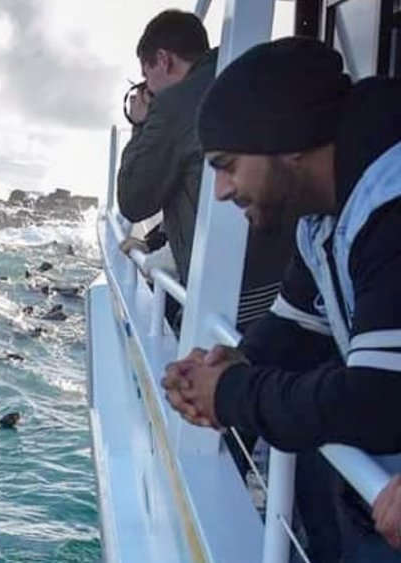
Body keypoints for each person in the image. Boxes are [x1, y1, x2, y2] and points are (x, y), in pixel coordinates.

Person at [161, 37, 401, 559]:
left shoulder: (390, 206)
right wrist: (238, 361)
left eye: (227, 163)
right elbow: (297, 325)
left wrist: (232, 396)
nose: (222, 190)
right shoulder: (325, 216)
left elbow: (379, 402)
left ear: (288, 139)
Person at [116, 9, 290, 332]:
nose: (148, 88)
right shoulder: (243, 75)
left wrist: (141, 125)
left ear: (164, 60)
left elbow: (134, 199)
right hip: (287, 288)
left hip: (229, 304)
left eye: (146, 73)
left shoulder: (176, 105)